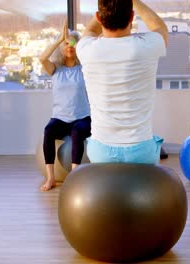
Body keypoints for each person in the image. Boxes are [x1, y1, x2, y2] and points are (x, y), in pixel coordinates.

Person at [76, 0, 168, 164]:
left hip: (101, 151)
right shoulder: (147, 45)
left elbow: (90, 30)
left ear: (98, 17)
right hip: (141, 151)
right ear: (132, 16)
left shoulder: (86, 49)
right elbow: (160, 27)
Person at [39, 21, 91, 191]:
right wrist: (60, 38)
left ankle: (74, 178)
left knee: (77, 132)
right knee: (48, 130)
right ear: (61, 48)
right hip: (60, 118)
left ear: (78, 47)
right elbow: (42, 58)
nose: (69, 46)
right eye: (66, 44)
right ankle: (51, 177)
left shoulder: (84, 69)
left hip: (82, 117)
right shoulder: (55, 69)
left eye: (73, 43)